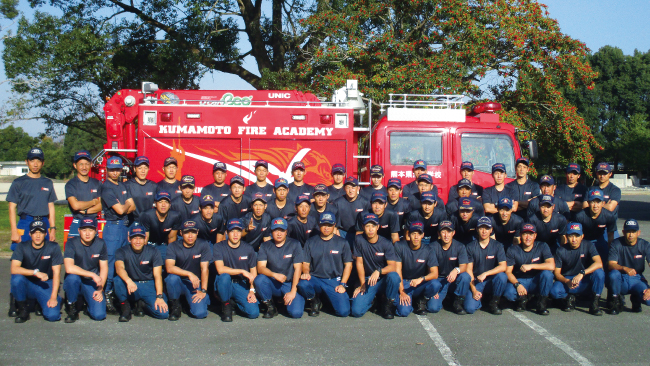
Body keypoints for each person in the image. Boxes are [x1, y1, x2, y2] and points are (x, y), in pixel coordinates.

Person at [298, 212, 353, 317]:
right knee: (303, 284)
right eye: (323, 225)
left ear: (334, 225)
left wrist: (343, 284)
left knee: (343, 312)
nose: (326, 228)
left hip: (333, 280)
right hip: (316, 278)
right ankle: (314, 300)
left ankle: (328, 300)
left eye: (329, 225)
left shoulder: (342, 243)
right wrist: (306, 272)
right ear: (319, 225)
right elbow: (305, 263)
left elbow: (348, 265)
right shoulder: (311, 242)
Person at [100, 156, 135, 312]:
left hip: (124, 227)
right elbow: (121, 210)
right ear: (107, 170)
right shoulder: (106, 187)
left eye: (117, 169)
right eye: (112, 169)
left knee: (124, 261)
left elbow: (132, 207)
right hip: (113, 227)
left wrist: (125, 205)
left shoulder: (123, 186)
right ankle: (106, 293)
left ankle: (117, 293)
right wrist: (126, 204)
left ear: (121, 169)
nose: (115, 172)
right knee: (110, 261)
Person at [10, 220, 62, 323]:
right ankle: (23, 309)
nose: (38, 235)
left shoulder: (53, 247)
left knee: (52, 316)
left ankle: (52, 300)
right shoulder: (22, 246)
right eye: (34, 232)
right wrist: (35, 272)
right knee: (17, 279)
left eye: (41, 232)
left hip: (45, 284)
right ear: (30, 234)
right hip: (28, 283)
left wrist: (53, 297)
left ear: (45, 234)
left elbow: (56, 273)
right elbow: (14, 268)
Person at [350, 213, 401, 319]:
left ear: (378, 227)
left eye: (373, 226)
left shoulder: (386, 243)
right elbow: (359, 263)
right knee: (356, 311)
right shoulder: (359, 239)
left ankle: (387, 304)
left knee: (394, 277)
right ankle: (373, 301)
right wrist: (362, 283)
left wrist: (379, 271)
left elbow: (393, 266)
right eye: (367, 226)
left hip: (383, 280)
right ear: (363, 227)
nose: (370, 229)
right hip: (368, 280)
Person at [114, 226, 169, 322]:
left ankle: (142, 305)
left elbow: (157, 275)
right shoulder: (121, 251)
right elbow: (119, 268)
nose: (138, 241)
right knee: (117, 280)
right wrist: (128, 281)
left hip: (148, 284)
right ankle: (125, 308)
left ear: (145, 239)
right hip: (131, 285)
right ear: (129, 239)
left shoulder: (154, 251)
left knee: (163, 314)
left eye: (140, 238)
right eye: (134, 238)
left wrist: (159, 296)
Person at [254, 218, 305, 319]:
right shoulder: (265, 246)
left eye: (282, 230)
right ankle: (271, 307)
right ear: (271, 232)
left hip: (289, 284)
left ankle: (298, 298)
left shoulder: (295, 244)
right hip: (274, 283)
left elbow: (298, 269)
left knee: (296, 313)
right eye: (276, 230)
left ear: (286, 232)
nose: (279, 233)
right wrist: (274, 274)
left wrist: (293, 292)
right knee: (259, 280)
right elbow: (260, 268)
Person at [7, 147, 57, 251]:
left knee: (44, 255)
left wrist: (52, 229)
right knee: (20, 255)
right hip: (25, 222)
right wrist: (14, 231)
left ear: (43, 163)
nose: (35, 164)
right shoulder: (18, 183)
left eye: (38, 161)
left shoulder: (47, 183)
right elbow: (12, 208)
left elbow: (51, 207)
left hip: (43, 222)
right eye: (32, 160)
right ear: (27, 162)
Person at [550, 223, 604, 315]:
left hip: (583, 279)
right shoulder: (561, 250)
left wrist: (582, 273)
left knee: (599, 273)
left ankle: (594, 303)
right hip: (568, 281)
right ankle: (569, 297)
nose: (574, 239)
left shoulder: (588, 245)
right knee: (554, 292)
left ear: (582, 236)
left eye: (577, 236)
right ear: (567, 236)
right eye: (571, 236)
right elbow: (557, 273)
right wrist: (567, 281)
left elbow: (599, 263)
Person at [63, 216, 108, 322]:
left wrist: (100, 289)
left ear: (96, 231)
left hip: (91, 282)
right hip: (76, 279)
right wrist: (92, 274)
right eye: (84, 230)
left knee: (99, 315)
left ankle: (88, 305)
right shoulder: (71, 243)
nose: (87, 233)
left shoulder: (101, 243)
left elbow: (104, 267)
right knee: (71, 279)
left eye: (91, 230)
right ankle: (72, 307)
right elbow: (69, 268)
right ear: (79, 231)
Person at [213, 218, 259, 322]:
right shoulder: (218, 247)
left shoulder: (248, 248)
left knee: (254, 313)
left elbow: (253, 272)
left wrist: (252, 290)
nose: (235, 234)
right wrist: (242, 271)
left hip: (241, 284)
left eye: (238, 231)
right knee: (224, 276)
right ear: (226, 232)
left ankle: (233, 303)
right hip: (225, 283)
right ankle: (226, 306)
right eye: (232, 231)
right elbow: (220, 269)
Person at [504, 224, 555, 315]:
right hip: (520, 280)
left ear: (535, 235)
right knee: (509, 293)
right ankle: (522, 300)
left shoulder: (542, 246)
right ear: (520, 235)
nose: (528, 237)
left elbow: (551, 266)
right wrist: (517, 285)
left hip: (536, 280)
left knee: (548, 274)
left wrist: (532, 266)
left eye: (531, 234)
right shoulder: (512, 250)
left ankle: (541, 304)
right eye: (525, 234)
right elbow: (507, 272)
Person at [165, 220, 212, 320]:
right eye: (186, 232)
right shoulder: (173, 246)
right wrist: (189, 273)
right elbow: (169, 267)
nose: (190, 235)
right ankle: (175, 306)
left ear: (197, 232)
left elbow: (205, 269)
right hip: (178, 281)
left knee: (200, 314)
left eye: (193, 232)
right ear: (181, 233)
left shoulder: (203, 245)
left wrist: (203, 290)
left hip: (193, 284)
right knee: (171, 278)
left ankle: (188, 303)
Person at [394, 221, 441, 317]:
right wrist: (402, 291)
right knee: (403, 312)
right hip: (405, 283)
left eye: (419, 234)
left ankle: (422, 300)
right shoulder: (399, 246)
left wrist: (421, 279)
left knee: (436, 284)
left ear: (423, 235)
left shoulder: (428, 250)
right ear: (409, 234)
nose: (416, 237)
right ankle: (409, 302)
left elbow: (435, 273)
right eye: (413, 233)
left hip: (419, 283)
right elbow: (397, 270)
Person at [463, 217, 507, 315]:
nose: (484, 231)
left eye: (487, 228)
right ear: (477, 229)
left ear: (491, 230)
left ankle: (494, 303)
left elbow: (503, 266)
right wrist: (474, 290)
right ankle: (481, 300)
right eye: (481, 228)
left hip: (492, 281)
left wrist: (486, 273)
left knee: (502, 276)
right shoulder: (470, 247)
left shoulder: (498, 246)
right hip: (477, 281)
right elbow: (468, 270)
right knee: (470, 309)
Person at [607, 219, 650, 314]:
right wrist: (624, 268)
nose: (630, 235)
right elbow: (611, 264)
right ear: (623, 232)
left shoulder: (645, 245)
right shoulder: (616, 243)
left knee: (649, 300)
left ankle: (636, 298)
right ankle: (615, 300)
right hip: (621, 278)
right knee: (613, 274)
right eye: (628, 232)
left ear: (638, 233)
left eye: (633, 232)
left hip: (637, 279)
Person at [429, 221, 471, 314]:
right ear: (439, 233)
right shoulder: (432, 247)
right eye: (443, 232)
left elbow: (464, 266)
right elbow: (430, 270)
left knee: (465, 277)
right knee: (433, 308)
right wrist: (433, 288)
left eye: (449, 232)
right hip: (438, 279)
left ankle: (458, 302)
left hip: (453, 279)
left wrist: (456, 270)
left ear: (453, 233)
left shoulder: (460, 246)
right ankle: (445, 300)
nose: (446, 235)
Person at [571, 188, 616, 268]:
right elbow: (575, 235)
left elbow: (610, 235)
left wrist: (610, 251)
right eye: (593, 202)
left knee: (605, 261)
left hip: (599, 240)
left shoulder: (609, 216)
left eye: (598, 202)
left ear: (603, 203)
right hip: (584, 241)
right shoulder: (579, 216)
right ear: (588, 203)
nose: (595, 205)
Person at [65, 150, 102, 237]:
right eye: (81, 164)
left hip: (93, 223)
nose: (84, 167)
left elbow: (101, 205)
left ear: (91, 164)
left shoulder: (97, 183)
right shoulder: (71, 184)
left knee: (94, 250)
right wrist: (93, 202)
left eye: (87, 164)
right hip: (78, 223)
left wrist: (85, 211)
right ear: (75, 165)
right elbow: (76, 206)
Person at [140, 191, 182, 261]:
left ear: (170, 205)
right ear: (155, 204)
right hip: (149, 243)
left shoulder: (175, 216)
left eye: (166, 202)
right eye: (160, 202)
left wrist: (171, 255)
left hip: (163, 244)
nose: (163, 205)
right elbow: (145, 238)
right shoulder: (146, 215)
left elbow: (171, 238)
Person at [333, 177, 370, 247]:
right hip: (342, 233)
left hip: (361, 233)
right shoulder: (337, 203)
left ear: (358, 188)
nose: (350, 190)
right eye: (348, 188)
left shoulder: (365, 202)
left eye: (353, 187)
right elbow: (334, 226)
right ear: (344, 189)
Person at [124, 156, 157, 226]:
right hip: (132, 224)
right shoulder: (127, 186)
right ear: (134, 169)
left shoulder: (154, 186)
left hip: (149, 224)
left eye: (145, 168)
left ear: (149, 169)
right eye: (140, 168)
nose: (143, 171)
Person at [593, 162, 622, 235]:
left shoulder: (615, 190)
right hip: (593, 227)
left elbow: (610, 207)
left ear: (610, 174)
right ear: (596, 173)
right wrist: (604, 204)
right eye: (600, 173)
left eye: (605, 173)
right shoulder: (591, 189)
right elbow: (585, 206)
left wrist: (594, 206)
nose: (602, 176)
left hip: (609, 227)